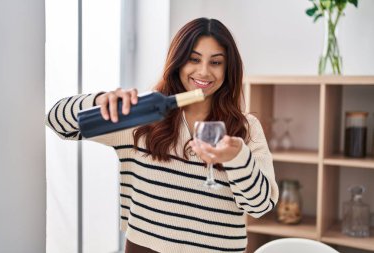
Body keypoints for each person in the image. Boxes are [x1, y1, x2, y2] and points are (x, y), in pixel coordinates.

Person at [46, 17, 279, 253]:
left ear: (228, 69)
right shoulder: (141, 117)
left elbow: (261, 206)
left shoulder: (246, 128)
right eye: (193, 59)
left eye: (216, 62)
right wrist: (99, 102)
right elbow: (57, 122)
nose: (204, 71)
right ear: (178, 62)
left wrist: (237, 158)